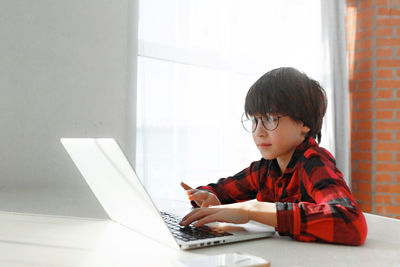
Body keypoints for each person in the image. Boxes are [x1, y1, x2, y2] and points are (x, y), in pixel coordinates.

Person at [179, 67, 367, 246]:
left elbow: (350, 221)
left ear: (304, 123)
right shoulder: (266, 167)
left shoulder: (313, 161)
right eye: (254, 120)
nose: (258, 132)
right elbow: (220, 190)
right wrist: (209, 197)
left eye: (270, 119)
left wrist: (253, 210)